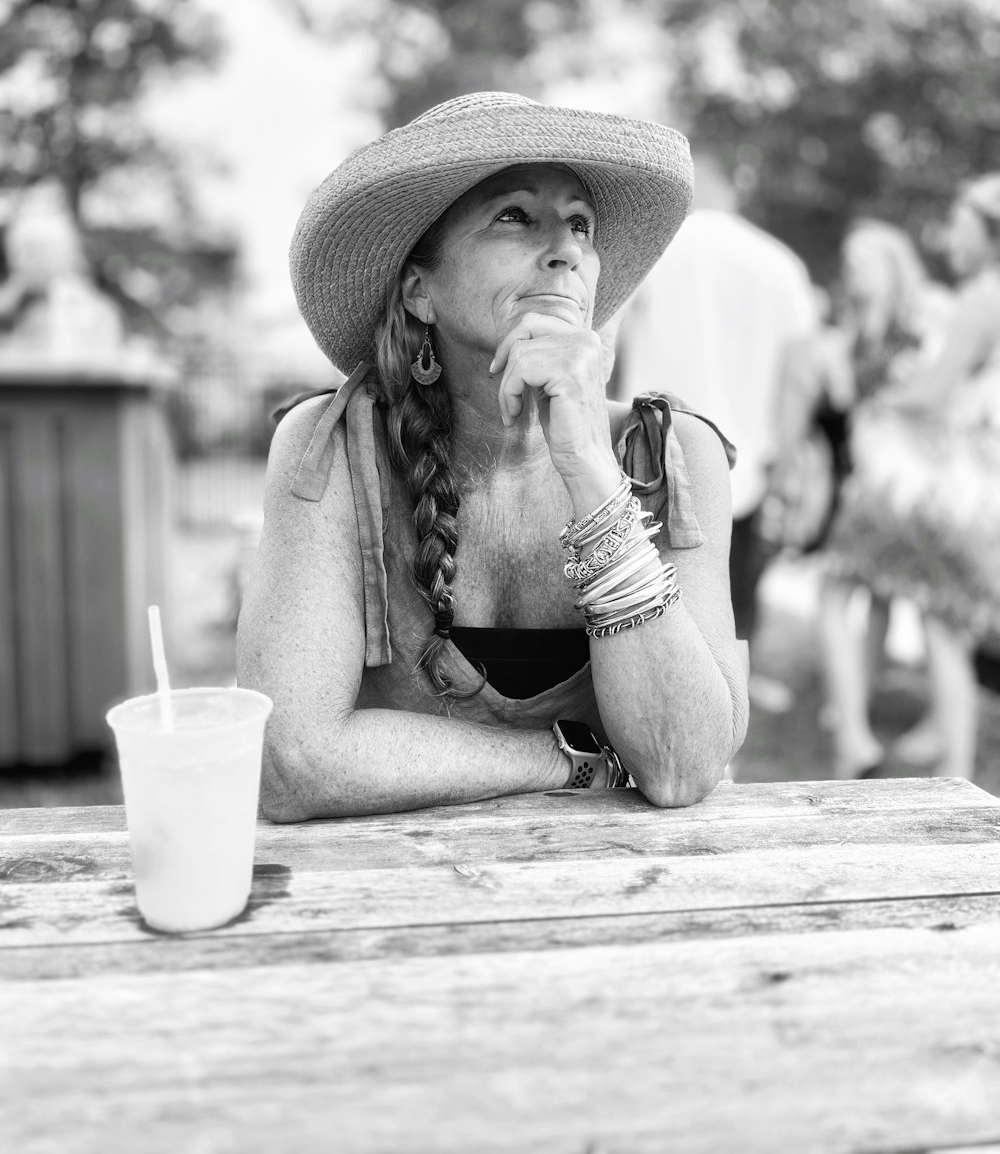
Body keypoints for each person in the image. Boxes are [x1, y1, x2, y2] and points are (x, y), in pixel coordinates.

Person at [236, 92, 748, 818]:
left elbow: (680, 765)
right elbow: (289, 760)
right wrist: (567, 758)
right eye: (514, 216)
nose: (566, 248)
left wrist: (590, 474)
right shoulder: (334, 451)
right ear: (420, 290)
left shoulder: (671, 456)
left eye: (580, 224)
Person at [612, 147, 817, 713]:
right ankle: (730, 705)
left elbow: (614, 341)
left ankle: (652, 703)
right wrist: (788, 454)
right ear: (736, 187)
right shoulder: (780, 264)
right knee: (736, 589)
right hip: (745, 456)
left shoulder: (655, 252)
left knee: (645, 586)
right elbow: (800, 377)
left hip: (651, 446)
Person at [822, 175, 1000, 780]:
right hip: (964, 483)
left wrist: (885, 397)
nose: (951, 237)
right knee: (943, 623)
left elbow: (932, 393)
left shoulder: (979, 298)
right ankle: (950, 766)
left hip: (945, 485)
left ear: (986, 227)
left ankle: (949, 768)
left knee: (941, 624)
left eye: (960, 223)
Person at [789, 219, 941, 777]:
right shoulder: (854, 335)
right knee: (871, 597)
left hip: (895, 487)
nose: (851, 271)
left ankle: (853, 733)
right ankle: (855, 713)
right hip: (878, 484)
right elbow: (843, 401)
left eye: (863, 261)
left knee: (833, 593)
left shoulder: (922, 328)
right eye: (848, 261)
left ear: (892, 265)